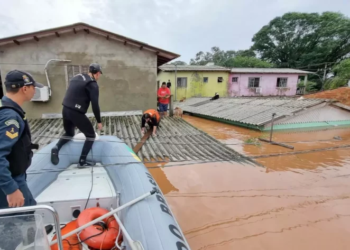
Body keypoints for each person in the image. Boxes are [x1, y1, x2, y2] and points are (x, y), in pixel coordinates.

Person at [0, 70, 44, 249]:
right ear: (24, 89)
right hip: (10, 180)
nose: (35, 91)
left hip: (13, 177)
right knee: (20, 221)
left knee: (25, 213)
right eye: (34, 87)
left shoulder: (7, 109)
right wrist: (11, 189)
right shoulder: (10, 117)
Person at [51, 63, 103, 167]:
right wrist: (99, 121)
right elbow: (95, 105)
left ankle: (56, 148)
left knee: (69, 133)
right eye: (100, 74)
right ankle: (82, 161)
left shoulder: (77, 77)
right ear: (97, 73)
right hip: (76, 112)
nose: (99, 76)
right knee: (91, 135)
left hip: (65, 109)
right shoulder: (92, 84)